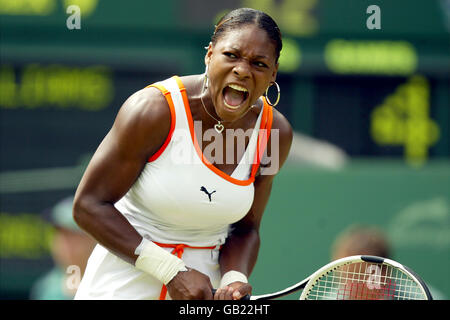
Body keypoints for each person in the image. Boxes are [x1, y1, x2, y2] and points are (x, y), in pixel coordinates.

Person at [73, 8, 293, 300]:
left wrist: (234, 279)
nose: (242, 69)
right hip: (121, 284)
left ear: (273, 74)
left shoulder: (274, 133)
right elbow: (88, 205)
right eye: (231, 55)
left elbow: (246, 230)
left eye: (258, 63)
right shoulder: (153, 110)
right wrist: (171, 270)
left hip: (202, 296)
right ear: (209, 55)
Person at [30, 196, 96, 300]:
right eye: (60, 233)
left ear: (92, 238)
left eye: (73, 235)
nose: (65, 244)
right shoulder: (46, 287)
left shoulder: (111, 280)